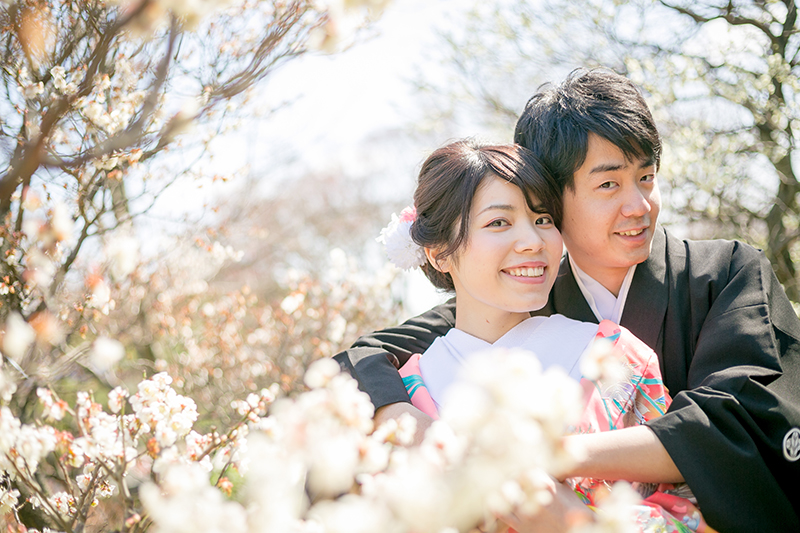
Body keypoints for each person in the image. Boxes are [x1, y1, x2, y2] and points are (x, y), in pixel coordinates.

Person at [334, 69, 800, 533]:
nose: (639, 206)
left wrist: (550, 457)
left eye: (646, 177)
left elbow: (744, 423)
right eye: (608, 184)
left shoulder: (722, 273)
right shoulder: (522, 298)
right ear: (553, 195)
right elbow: (361, 360)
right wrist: (401, 416)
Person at [384, 138, 707, 532]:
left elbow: (688, 506)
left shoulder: (615, 357)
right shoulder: (405, 396)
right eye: (499, 222)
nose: (534, 242)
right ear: (439, 253)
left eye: (543, 219)